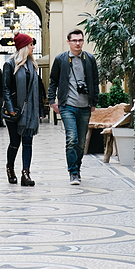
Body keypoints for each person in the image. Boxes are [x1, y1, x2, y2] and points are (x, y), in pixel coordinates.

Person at [48, 29, 99, 185]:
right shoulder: (61, 60)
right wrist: (52, 101)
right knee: (72, 138)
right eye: (74, 40)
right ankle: (73, 173)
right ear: (68, 42)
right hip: (67, 105)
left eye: (80, 40)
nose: (78, 43)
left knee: (82, 142)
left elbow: (95, 81)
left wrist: (93, 102)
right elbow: (53, 81)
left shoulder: (89, 59)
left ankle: (77, 166)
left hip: (85, 106)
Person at [2, 32, 42, 186]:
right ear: (24, 47)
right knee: (14, 143)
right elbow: (5, 89)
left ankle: (26, 174)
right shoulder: (10, 64)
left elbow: (37, 89)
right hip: (15, 112)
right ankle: (10, 168)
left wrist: (40, 110)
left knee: (28, 142)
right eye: (30, 44)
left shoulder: (32, 65)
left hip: (30, 111)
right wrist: (11, 108)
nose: (33, 47)